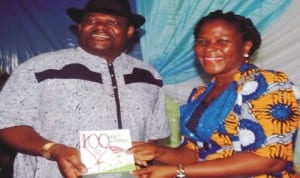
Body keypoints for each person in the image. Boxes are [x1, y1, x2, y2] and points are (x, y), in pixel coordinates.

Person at [0, 0, 170, 177]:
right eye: (91, 21)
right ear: (80, 27)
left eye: (112, 22)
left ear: (129, 31)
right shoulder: (39, 69)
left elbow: (153, 134)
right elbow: (7, 123)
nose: (100, 27)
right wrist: (54, 150)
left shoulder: (149, 76)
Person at [130, 10, 300, 178]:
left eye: (222, 41)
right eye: (202, 41)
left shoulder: (268, 83)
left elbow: (271, 160)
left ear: (246, 46)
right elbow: (194, 153)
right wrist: (158, 152)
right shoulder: (200, 94)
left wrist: (178, 172)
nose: (210, 48)